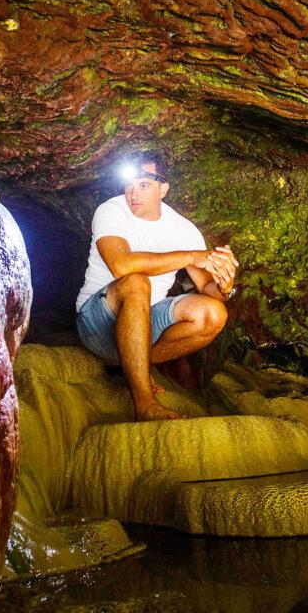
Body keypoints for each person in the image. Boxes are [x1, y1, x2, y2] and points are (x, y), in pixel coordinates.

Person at [75, 151, 239, 421]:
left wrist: (224, 285)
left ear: (163, 189)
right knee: (136, 282)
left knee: (214, 314)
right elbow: (121, 266)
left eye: (143, 185)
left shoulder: (184, 229)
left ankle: (132, 362)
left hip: (146, 325)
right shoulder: (111, 211)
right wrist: (190, 256)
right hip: (97, 321)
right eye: (128, 185)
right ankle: (145, 404)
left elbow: (208, 289)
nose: (133, 194)